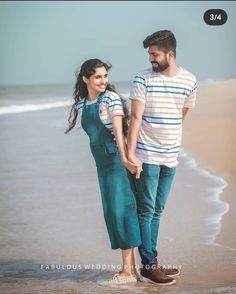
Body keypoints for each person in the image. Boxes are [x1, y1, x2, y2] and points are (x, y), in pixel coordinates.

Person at [127, 30, 197, 285]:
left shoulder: (189, 80)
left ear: (170, 53)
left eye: (155, 55)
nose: (151, 60)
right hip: (146, 155)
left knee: (158, 210)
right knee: (146, 210)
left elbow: (182, 114)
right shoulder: (142, 78)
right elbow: (135, 118)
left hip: (171, 156)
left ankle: (152, 261)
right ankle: (149, 266)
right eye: (149, 55)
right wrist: (132, 154)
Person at [65, 58, 142, 284]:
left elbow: (119, 133)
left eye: (105, 76)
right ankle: (132, 269)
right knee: (111, 213)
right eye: (98, 77)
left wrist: (126, 158)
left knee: (122, 212)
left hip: (117, 162)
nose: (103, 81)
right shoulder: (82, 105)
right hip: (101, 165)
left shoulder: (111, 99)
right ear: (85, 79)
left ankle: (128, 271)